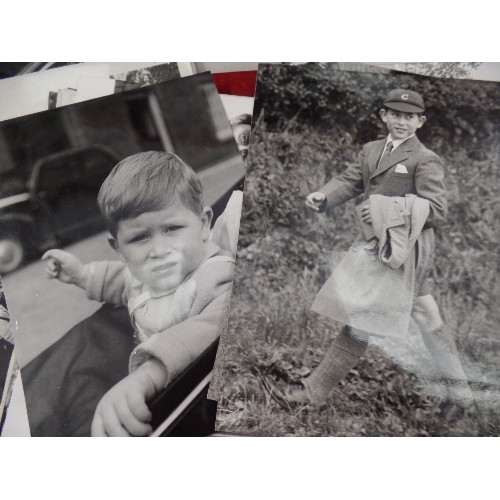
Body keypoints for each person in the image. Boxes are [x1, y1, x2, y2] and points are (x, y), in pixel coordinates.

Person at [271, 89, 474, 413]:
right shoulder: (371, 150)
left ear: (420, 121)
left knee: (364, 317)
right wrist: (324, 195)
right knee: (425, 315)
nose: (401, 121)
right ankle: (462, 396)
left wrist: (383, 207)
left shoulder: (425, 159)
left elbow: (437, 210)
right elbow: (350, 181)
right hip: (377, 246)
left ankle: (313, 391)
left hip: (406, 250)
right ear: (383, 116)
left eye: (409, 117)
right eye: (395, 114)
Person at [43, 151, 235, 436]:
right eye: (140, 238)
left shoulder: (217, 275)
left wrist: (151, 372)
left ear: (204, 224)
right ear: (119, 248)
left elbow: (216, 324)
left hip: (200, 397)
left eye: (172, 229)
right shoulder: (143, 275)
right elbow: (122, 281)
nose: (159, 251)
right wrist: (82, 275)